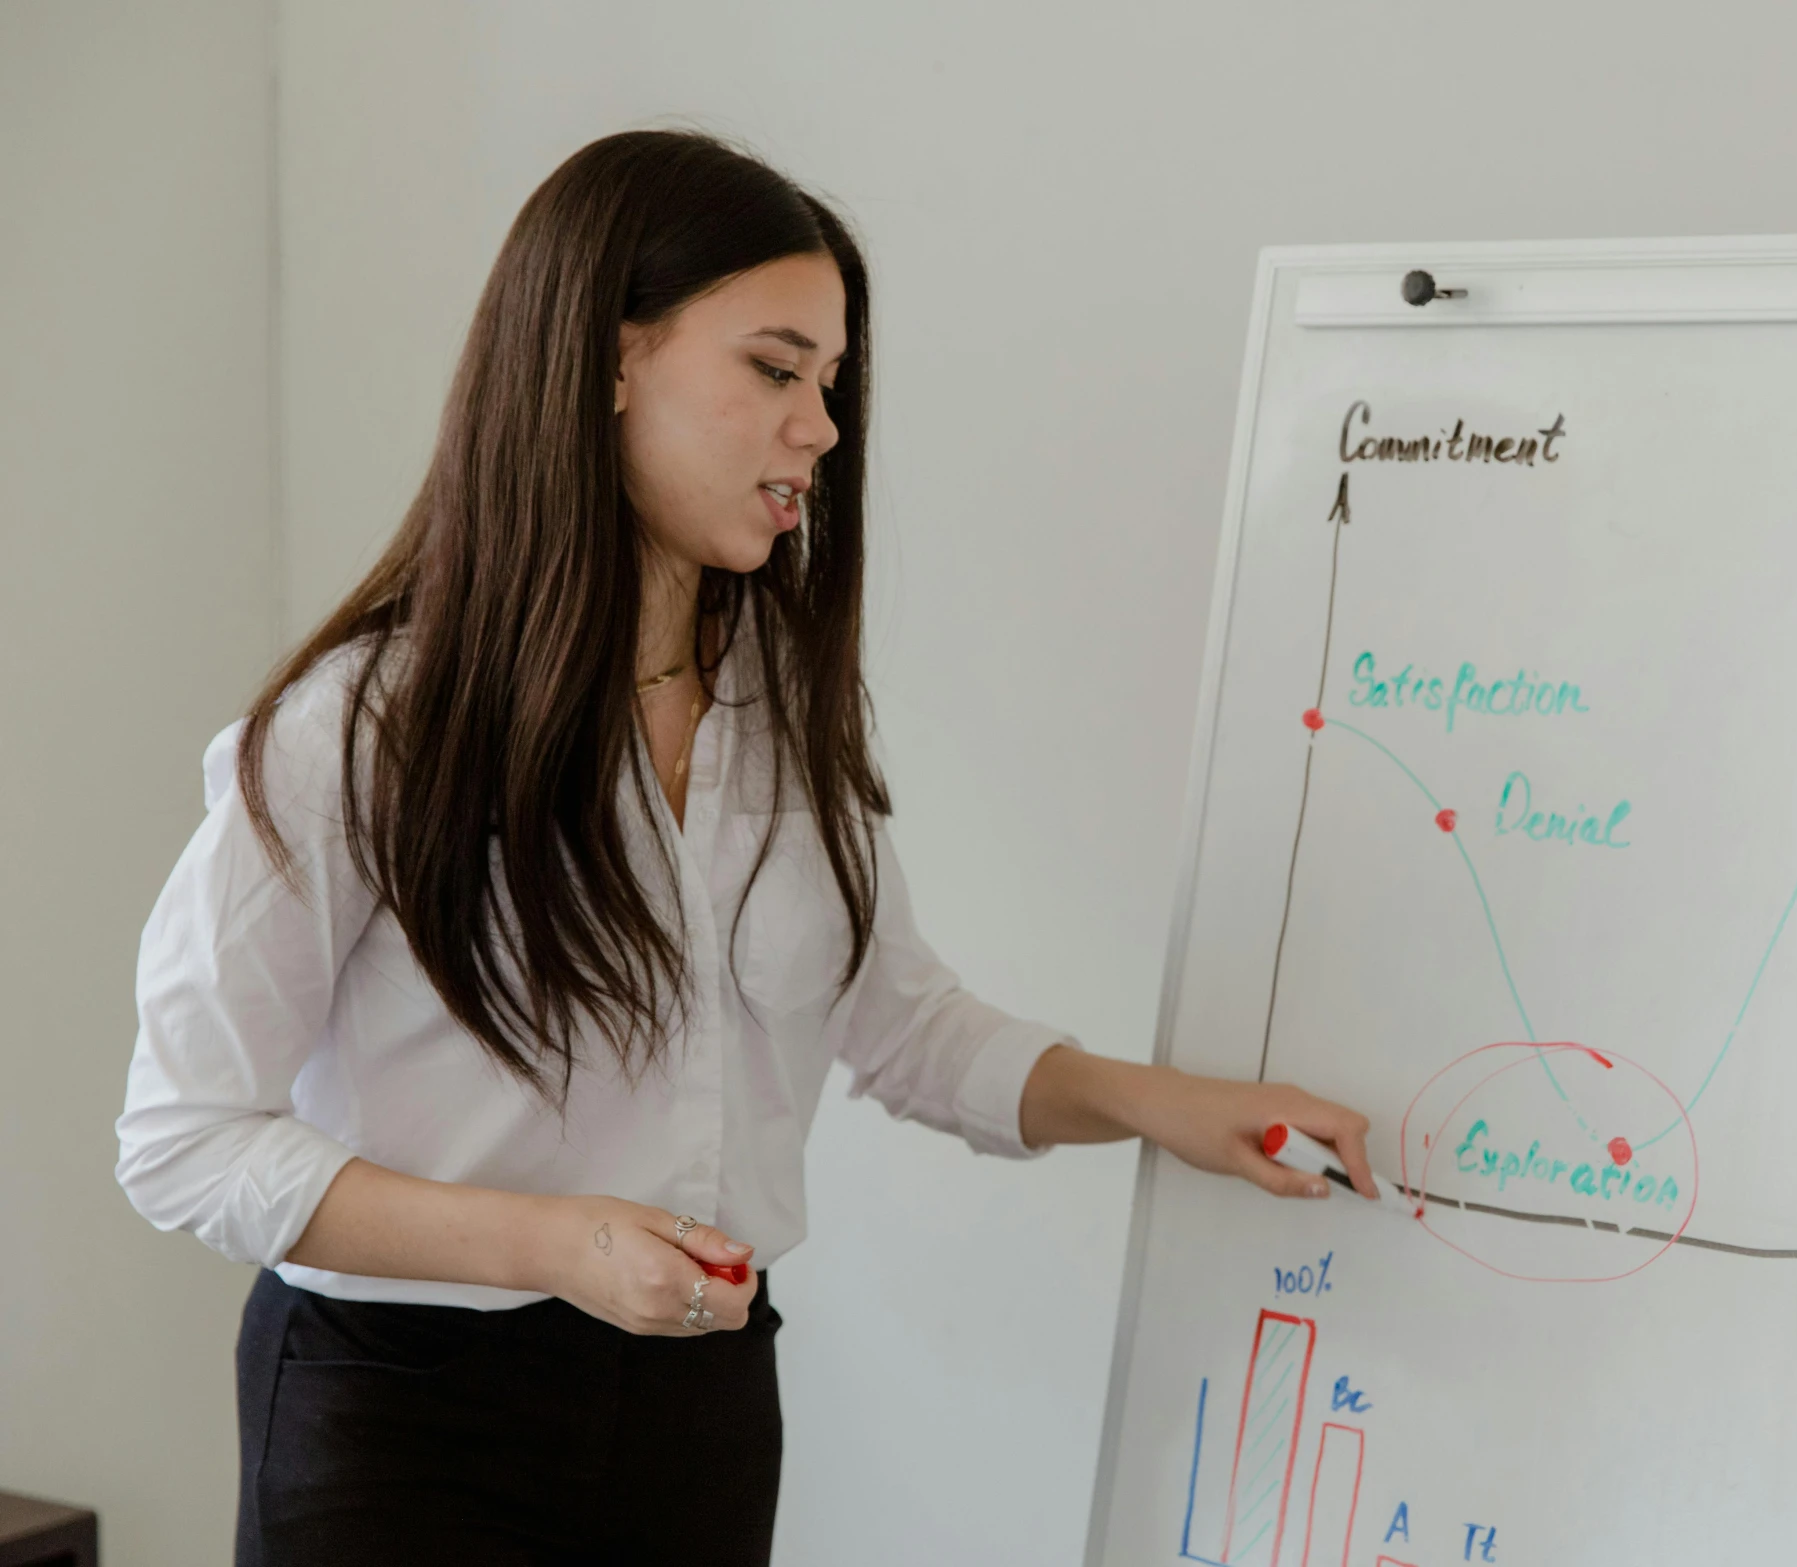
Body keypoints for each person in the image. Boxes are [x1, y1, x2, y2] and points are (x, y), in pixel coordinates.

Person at [114, 129, 1376, 1566]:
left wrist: (1169, 1105)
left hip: (697, 1400)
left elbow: (904, 1024)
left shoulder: (785, 702)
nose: (822, 430)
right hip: (404, 1411)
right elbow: (183, 1139)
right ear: (606, 362)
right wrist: (554, 1245)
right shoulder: (361, 730)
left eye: (829, 385)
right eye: (775, 370)